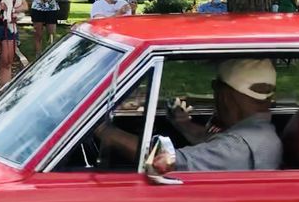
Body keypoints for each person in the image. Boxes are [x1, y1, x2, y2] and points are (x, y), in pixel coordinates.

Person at [97, 59, 282, 172]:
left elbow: (165, 162)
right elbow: (212, 142)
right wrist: (183, 124)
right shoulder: (258, 132)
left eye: (215, 88)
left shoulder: (238, 148)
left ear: (225, 95)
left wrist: (106, 131)